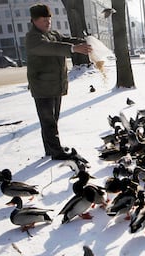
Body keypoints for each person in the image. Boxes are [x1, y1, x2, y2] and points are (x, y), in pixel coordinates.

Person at [26, 4, 91, 160]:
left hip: (54, 84)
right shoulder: (33, 37)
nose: (47, 23)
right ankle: (56, 152)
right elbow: (50, 48)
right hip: (42, 86)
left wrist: (85, 41)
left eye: (49, 19)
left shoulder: (53, 33)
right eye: (43, 20)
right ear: (34, 21)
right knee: (48, 121)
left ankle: (51, 148)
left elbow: (65, 40)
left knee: (52, 120)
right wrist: (73, 49)